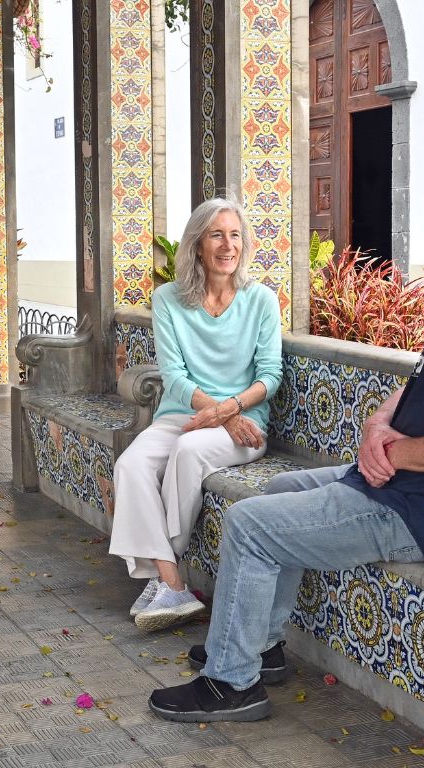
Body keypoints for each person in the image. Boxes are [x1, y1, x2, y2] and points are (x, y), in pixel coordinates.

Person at [147, 187, 424, 722]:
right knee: (277, 489)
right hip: (419, 491)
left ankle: (231, 682)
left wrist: (399, 454)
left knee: (249, 523)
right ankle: (260, 646)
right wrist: (380, 422)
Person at [108, 197, 283, 632]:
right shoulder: (168, 299)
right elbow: (175, 377)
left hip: (244, 424)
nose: (228, 245)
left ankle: (165, 581)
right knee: (130, 465)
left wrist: (231, 410)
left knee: (188, 452)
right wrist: (217, 412)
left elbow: (270, 376)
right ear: (197, 245)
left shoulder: (261, 300)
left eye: (235, 234)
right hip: (184, 415)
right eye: (216, 235)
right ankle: (172, 580)